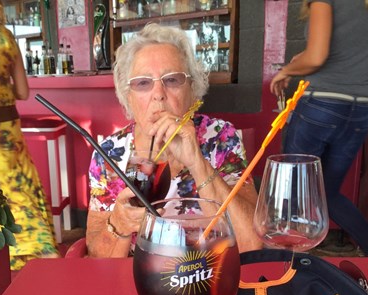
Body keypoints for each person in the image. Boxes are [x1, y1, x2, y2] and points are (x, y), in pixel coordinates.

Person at [86, 23, 262, 258]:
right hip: (138, 280)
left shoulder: (219, 138)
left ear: (192, 89)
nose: (158, 93)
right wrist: (119, 223)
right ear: (127, 95)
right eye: (143, 83)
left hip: (208, 273)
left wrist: (197, 163)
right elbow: (97, 257)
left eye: (172, 80)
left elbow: (251, 243)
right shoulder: (108, 153)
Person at [270, 0, 368, 257]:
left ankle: (286, 265)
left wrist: (286, 70)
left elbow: (317, 56)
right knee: (327, 193)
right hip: (360, 109)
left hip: (321, 104)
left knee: (291, 189)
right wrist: (307, 59)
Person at [0, 0, 59, 269]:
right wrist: (2, 93)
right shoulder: (7, 38)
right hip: (10, 129)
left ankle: (28, 252)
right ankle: (43, 249)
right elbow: (23, 92)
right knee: (20, 187)